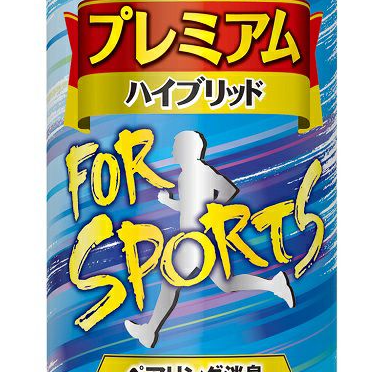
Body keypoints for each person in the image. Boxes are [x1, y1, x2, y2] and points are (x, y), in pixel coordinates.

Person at [125, 129, 295, 349]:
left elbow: (227, 190)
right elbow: (195, 204)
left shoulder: (198, 172)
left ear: (186, 149)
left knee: (170, 284)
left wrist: (211, 212)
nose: (173, 151)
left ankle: (150, 332)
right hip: (199, 239)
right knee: (226, 284)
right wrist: (171, 203)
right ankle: (274, 285)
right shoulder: (189, 173)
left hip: (195, 240)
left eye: (176, 146)